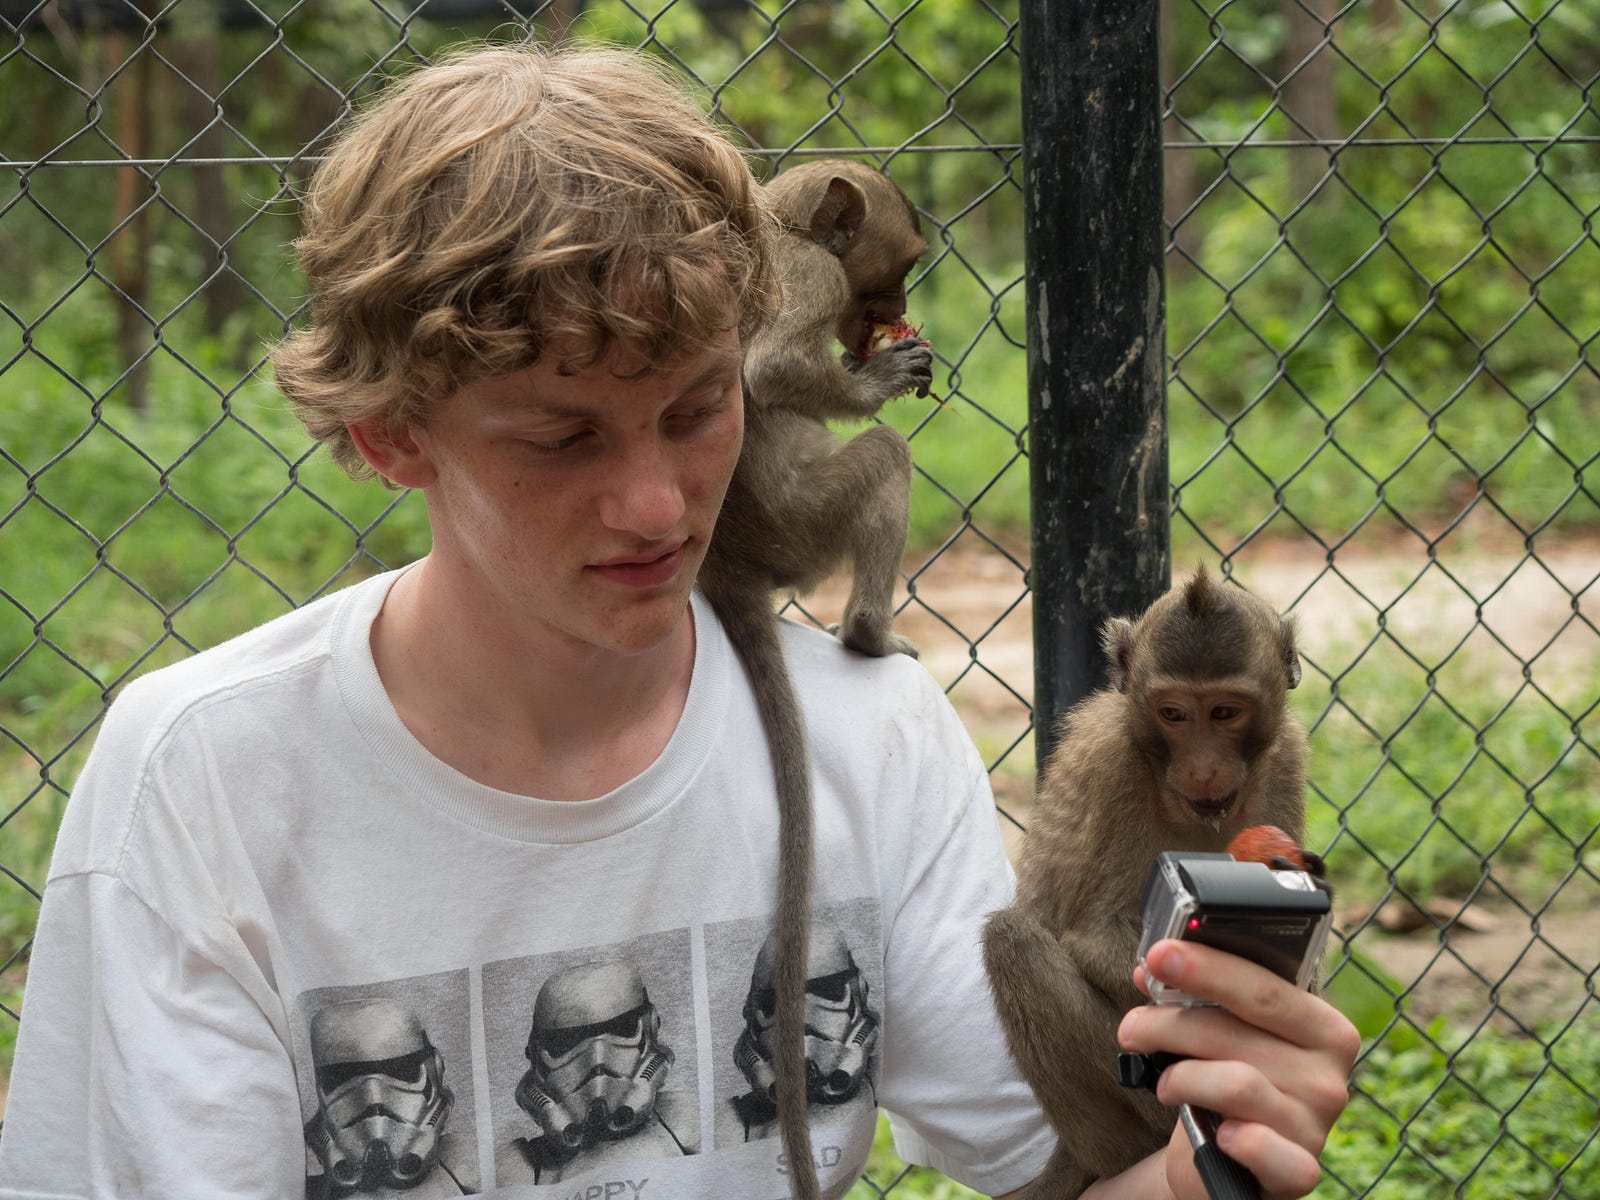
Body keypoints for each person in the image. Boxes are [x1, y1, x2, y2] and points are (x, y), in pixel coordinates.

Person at [0, 40, 1357, 1200]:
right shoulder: (207, 781)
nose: (660, 506)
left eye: (703, 408)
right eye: (563, 436)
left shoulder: (873, 735)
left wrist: (1218, 1154)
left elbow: (1072, 1175)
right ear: (391, 435)